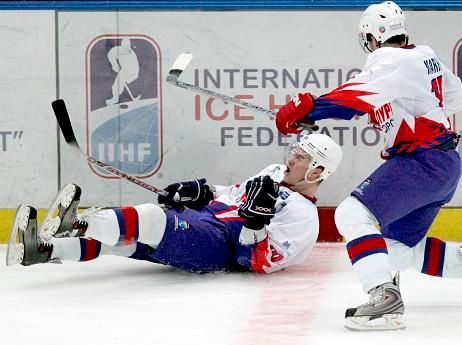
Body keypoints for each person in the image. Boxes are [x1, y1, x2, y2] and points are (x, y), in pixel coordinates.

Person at [275, 1, 462, 331]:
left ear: (373, 37)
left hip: (422, 160)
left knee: (350, 214)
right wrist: (390, 104)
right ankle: (393, 293)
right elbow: (453, 95)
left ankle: (383, 297)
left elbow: (355, 95)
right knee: (396, 251)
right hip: (443, 164)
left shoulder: (390, 58)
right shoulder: (424, 58)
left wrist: (310, 109)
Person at [6, 134, 342, 275]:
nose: (290, 159)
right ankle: (45, 250)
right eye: (294, 152)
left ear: (318, 170)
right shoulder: (272, 173)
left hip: (218, 247)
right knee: (122, 243)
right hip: (205, 219)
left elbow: (252, 261)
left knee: (149, 218)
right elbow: (232, 194)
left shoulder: (304, 219)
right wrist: (201, 190)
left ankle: (76, 223)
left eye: (301, 157)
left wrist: (255, 225)